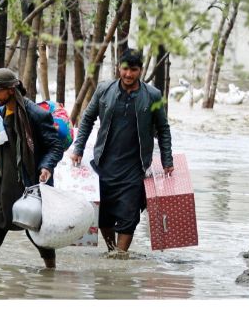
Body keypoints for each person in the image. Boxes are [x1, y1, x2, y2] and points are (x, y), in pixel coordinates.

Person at [70, 49, 174, 258]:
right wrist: (78, 148)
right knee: (105, 217)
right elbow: (87, 119)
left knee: (129, 216)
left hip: (135, 167)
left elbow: (163, 129)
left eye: (133, 70)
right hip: (104, 163)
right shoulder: (103, 90)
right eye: (125, 69)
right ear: (119, 68)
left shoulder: (152, 95)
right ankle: (112, 252)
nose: (128, 74)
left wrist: (167, 160)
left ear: (141, 70)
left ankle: (119, 256)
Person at [0, 68, 64, 269]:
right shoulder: (0, 113)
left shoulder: (37, 115)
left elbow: (54, 146)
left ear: (11, 90)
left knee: (38, 231)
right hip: (4, 184)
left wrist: (46, 167)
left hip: (30, 183)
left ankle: (51, 271)